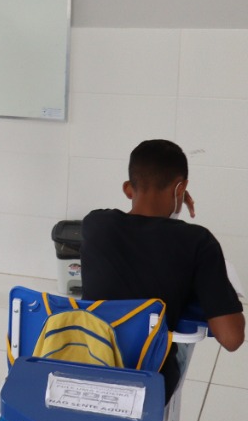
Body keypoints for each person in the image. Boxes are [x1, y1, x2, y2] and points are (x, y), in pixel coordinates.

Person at [81, 139, 243, 401]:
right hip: (147, 381)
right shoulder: (198, 242)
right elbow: (232, 338)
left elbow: (142, 231)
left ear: (127, 188)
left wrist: (174, 198)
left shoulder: (94, 224)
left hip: (87, 361)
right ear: (181, 188)